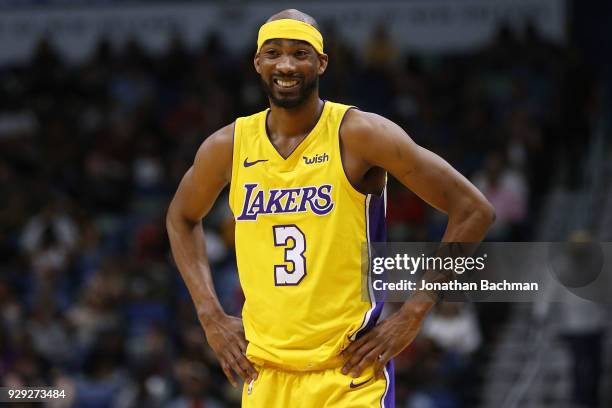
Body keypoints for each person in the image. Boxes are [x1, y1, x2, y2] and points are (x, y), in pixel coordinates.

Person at [166, 9, 494, 408]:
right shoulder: (227, 147)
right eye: (273, 52)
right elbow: (181, 217)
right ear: (257, 63)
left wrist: (412, 315)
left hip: (349, 378)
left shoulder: (360, 134)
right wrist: (210, 316)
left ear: (321, 62)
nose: (286, 64)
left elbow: (474, 210)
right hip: (266, 376)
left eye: (300, 53)